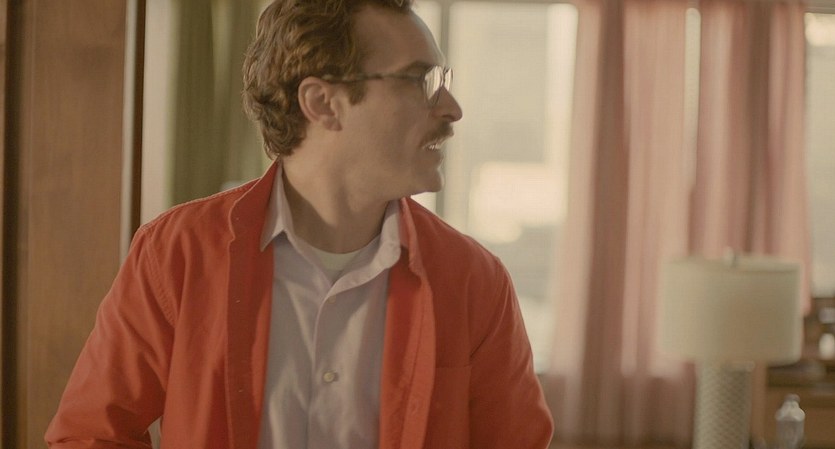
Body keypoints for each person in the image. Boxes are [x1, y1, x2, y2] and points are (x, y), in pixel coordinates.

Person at [45, 0, 554, 447]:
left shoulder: (473, 280)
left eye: (443, 81)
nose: (452, 109)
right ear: (322, 103)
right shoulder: (176, 253)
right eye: (420, 81)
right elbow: (91, 435)